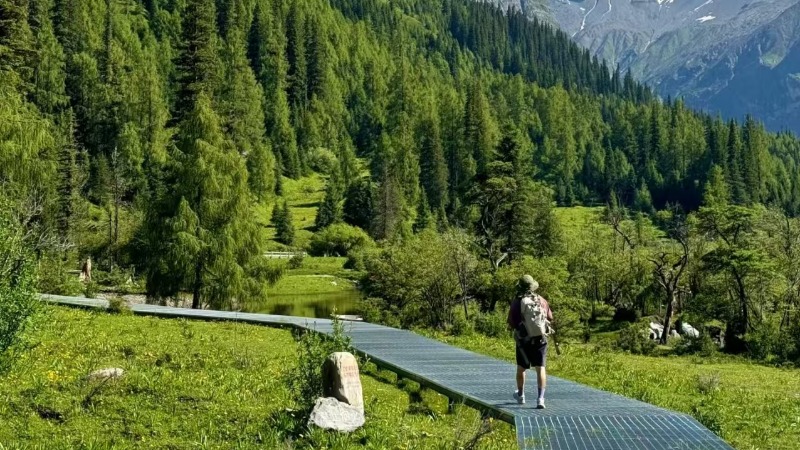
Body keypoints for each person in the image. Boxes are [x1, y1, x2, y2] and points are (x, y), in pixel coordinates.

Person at [507, 275, 553, 409]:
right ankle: (540, 399)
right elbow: (550, 317)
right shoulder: (541, 300)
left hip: (524, 339)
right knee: (540, 368)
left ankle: (521, 395)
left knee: (521, 368)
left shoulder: (517, 302)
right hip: (540, 338)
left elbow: (512, 322)